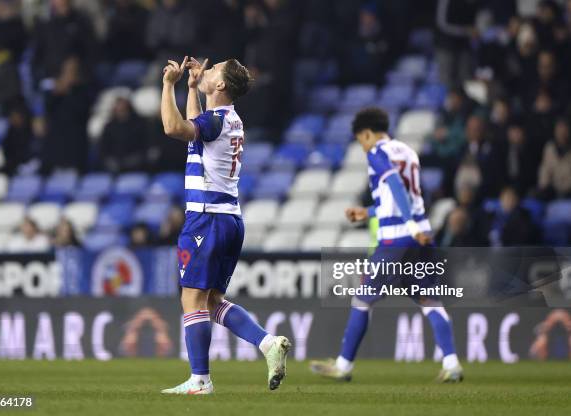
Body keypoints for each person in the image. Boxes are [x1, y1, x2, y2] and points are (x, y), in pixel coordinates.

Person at [159, 56, 290, 395]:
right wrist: (191, 88)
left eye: (213, 69)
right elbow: (195, 128)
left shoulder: (217, 120)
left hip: (206, 218)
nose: (206, 70)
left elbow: (174, 128)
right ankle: (267, 343)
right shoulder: (227, 119)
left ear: (220, 85)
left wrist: (168, 85)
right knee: (212, 300)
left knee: (192, 299)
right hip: (229, 218)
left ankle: (200, 380)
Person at [310, 107, 463, 383]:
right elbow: (407, 197)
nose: (363, 146)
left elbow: (394, 184)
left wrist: (409, 227)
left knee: (362, 299)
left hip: (397, 238)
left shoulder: (377, 153)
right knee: (429, 299)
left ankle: (344, 366)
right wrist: (368, 213)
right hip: (422, 236)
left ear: (367, 134)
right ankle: (452, 363)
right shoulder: (408, 152)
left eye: (361, 141)